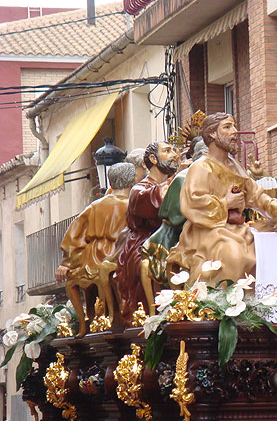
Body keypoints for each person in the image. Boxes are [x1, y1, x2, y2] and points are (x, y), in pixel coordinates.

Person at [166, 113, 277, 286]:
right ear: (212, 134)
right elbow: (192, 203)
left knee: (271, 244)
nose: (235, 131)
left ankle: (262, 298)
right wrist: (226, 203)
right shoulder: (200, 167)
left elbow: (257, 196)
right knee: (233, 255)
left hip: (236, 229)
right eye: (227, 127)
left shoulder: (235, 166)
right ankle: (225, 300)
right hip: (207, 230)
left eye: (234, 126)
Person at [55, 162, 136, 336]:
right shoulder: (131, 205)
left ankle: (91, 323)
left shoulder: (94, 206)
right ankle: (120, 319)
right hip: (116, 254)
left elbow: (74, 235)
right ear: (132, 180)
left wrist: (67, 262)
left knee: (94, 298)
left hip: (91, 256)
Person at [115, 141, 179, 319]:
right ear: (153, 159)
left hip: (175, 236)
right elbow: (152, 204)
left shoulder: (173, 183)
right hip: (146, 242)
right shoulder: (139, 189)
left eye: (173, 151)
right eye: (167, 151)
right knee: (147, 264)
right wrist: (172, 183)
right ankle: (153, 313)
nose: (174, 155)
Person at [142, 140, 209, 284]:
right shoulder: (182, 179)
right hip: (173, 239)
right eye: (167, 151)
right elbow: (176, 217)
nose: (174, 155)